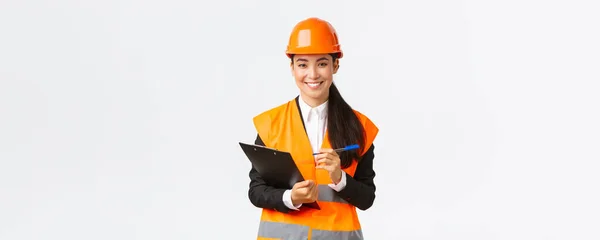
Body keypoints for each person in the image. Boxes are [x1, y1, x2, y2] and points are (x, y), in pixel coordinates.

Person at [247, 17, 379, 240]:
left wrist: (340, 178)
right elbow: (256, 192)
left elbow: (367, 199)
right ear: (292, 67)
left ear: (335, 65)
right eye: (303, 64)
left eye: (322, 63)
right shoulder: (271, 124)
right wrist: (290, 198)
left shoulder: (359, 128)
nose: (313, 74)